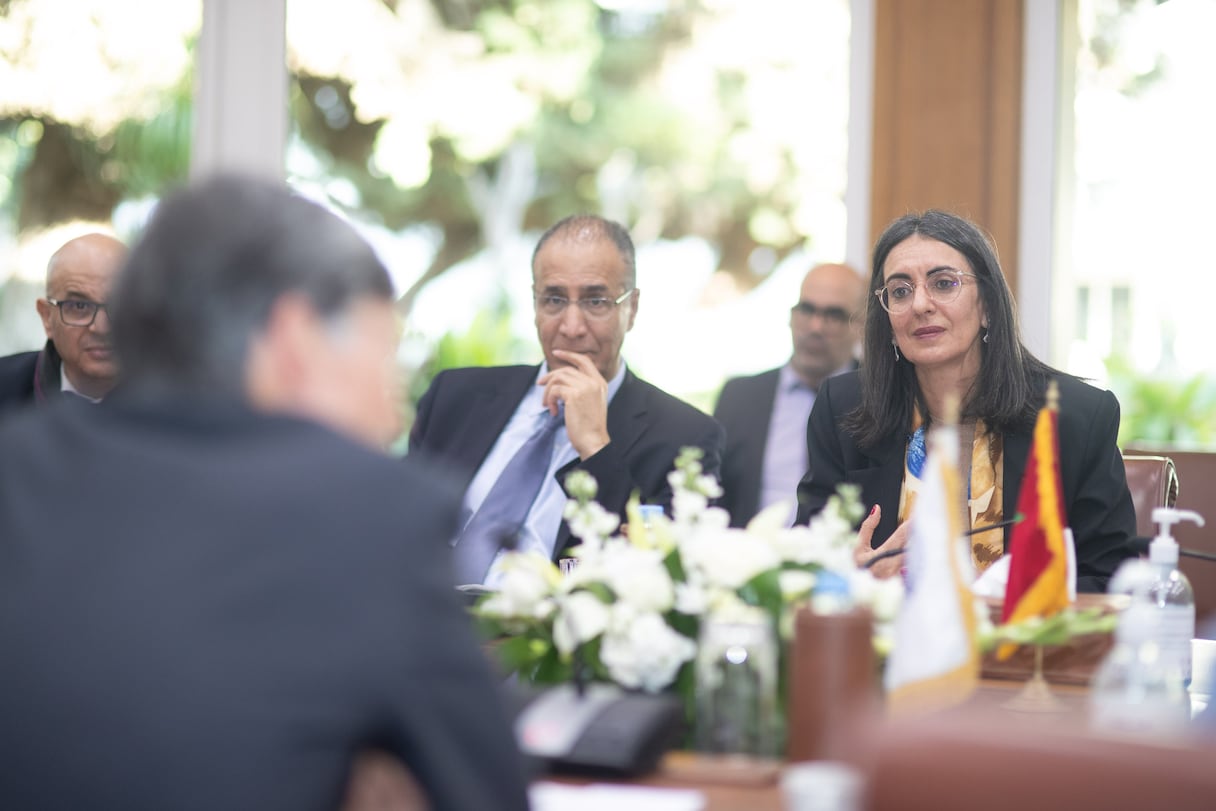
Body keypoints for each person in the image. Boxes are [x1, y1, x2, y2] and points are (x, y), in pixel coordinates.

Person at [0, 174, 529, 811]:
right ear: (293, 338)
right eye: (382, 355)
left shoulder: (21, 469)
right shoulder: (372, 514)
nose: (393, 417)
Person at [794, 210, 1135, 593]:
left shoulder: (1076, 416)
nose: (920, 304)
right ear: (886, 318)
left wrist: (1009, 598)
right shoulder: (843, 408)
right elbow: (804, 560)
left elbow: (1113, 580)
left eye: (943, 283)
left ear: (987, 305)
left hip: (1024, 646)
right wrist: (848, 579)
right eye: (900, 291)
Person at [409, 214, 725, 584]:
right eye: (554, 299)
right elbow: (395, 522)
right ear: (534, 303)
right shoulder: (455, 397)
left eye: (596, 301)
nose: (572, 328)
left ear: (632, 309)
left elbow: (663, 579)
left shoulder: (684, 438)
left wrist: (595, 446)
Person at [714, 262, 865, 527]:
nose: (816, 327)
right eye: (807, 310)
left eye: (833, 315)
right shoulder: (740, 397)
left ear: (861, 326)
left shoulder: (877, 399)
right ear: (791, 315)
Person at [0, 232, 126, 415]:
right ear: (47, 317)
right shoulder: (5, 388)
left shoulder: (177, 400)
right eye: (79, 306)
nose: (102, 328)